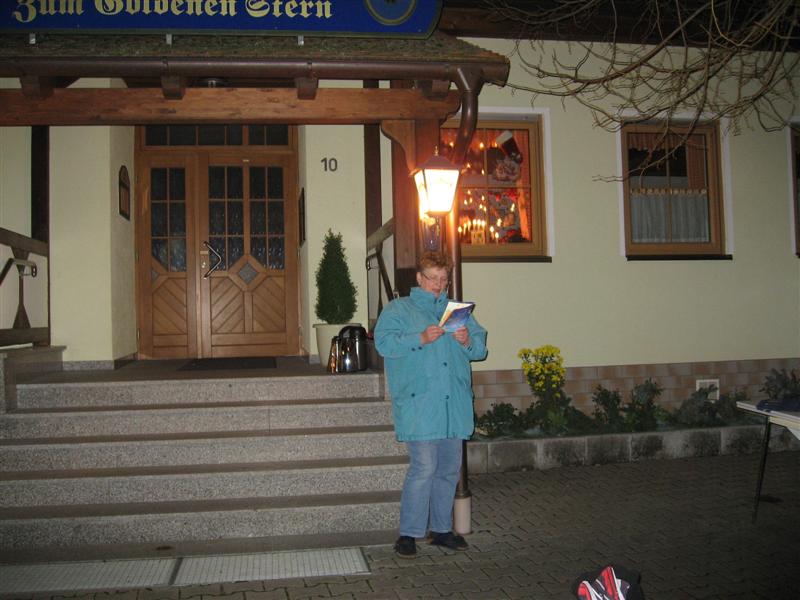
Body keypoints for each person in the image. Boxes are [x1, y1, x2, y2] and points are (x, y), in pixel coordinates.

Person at [374, 250, 487, 558]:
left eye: (443, 279)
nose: (438, 285)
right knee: (424, 468)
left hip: (454, 405)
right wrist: (420, 338)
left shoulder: (458, 312)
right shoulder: (399, 309)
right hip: (421, 404)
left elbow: (480, 350)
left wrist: (467, 341)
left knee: (448, 470)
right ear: (419, 278)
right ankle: (409, 534)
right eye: (432, 278)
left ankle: (441, 530)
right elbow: (384, 343)